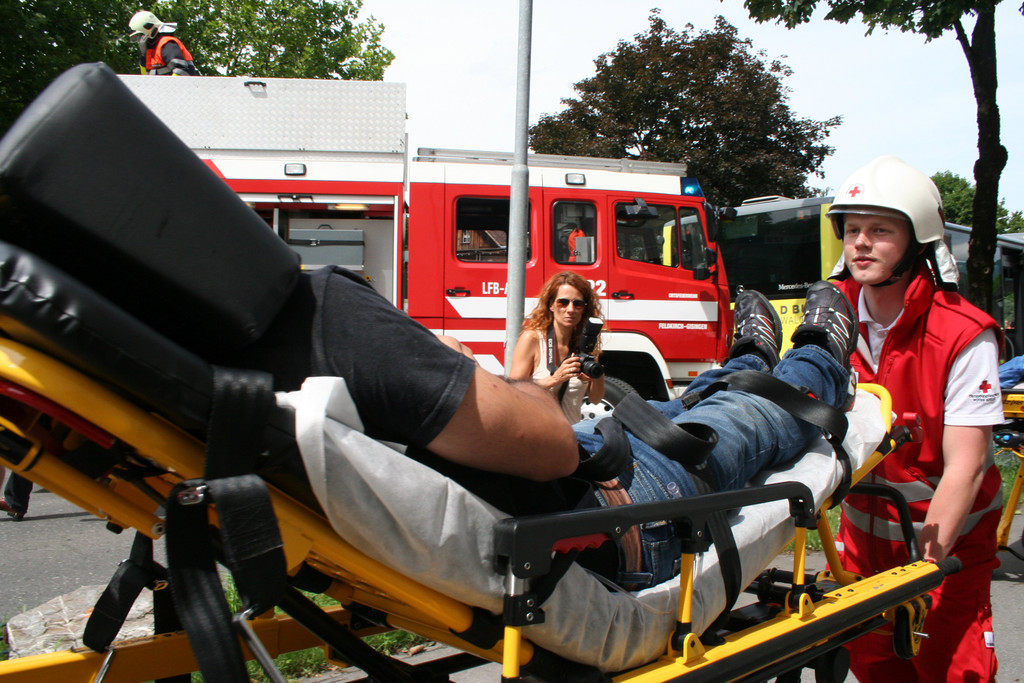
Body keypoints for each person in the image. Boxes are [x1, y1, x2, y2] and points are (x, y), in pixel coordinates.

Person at [827, 156, 1003, 682]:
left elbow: (966, 467)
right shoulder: (830, 323)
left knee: (950, 671)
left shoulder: (963, 334)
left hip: (945, 549)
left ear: (917, 240)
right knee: (876, 670)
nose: (861, 243)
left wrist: (925, 570)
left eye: (880, 230)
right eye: (852, 229)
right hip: (863, 550)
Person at [509, 271, 606, 424]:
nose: (570, 309)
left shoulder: (584, 343)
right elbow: (513, 392)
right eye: (563, 302)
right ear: (551, 305)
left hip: (572, 434)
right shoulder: (532, 339)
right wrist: (554, 379)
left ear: (584, 309)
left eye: (578, 304)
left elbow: (595, 399)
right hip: (538, 433)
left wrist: (597, 377)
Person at [129, 10, 198, 76]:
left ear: (147, 32)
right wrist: (143, 55)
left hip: (179, 84)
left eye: (140, 37)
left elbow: (181, 71)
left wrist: (170, 84)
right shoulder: (151, 52)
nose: (140, 41)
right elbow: (145, 76)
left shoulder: (167, 44)